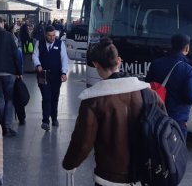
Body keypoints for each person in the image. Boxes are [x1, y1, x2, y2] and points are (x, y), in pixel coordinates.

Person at [62, 38, 155, 186]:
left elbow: (83, 143)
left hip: (109, 177)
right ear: (119, 61)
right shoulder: (148, 93)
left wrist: (69, 164)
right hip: (144, 173)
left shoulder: (92, 100)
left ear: (96, 64)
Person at [145, 33, 192, 138]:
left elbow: (148, 85)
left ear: (171, 46)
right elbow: (190, 97)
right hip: (177, 118)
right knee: (175, 149)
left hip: (157, 114)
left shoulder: (156, 63)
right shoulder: (188, 69)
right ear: (187, 48)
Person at [32, 26, 69, 131]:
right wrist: (38, 64)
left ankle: (54, 118)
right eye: (49, 35)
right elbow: (35, 55)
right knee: (46, 97)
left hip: (56, 76)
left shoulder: (60, 44)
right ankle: (45, 121)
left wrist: (64, 72)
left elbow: (64, 59)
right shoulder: (39, 43)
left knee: (54, 97)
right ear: (45, 35)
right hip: (43, 75)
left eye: (53, 35)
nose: (52, 37)